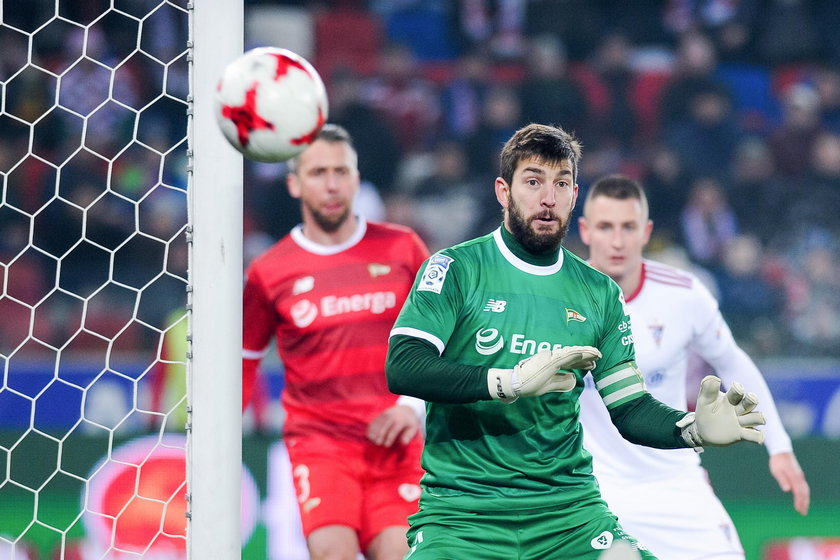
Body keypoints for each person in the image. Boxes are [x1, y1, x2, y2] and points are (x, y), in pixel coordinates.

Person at [385, 123, 766, 559]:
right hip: (463, 512)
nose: (548, 197)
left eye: (561, 183)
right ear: (503, 191)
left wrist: (692, 427)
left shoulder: (598, 293)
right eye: (533, 181)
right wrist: (506, 382)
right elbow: (403, 365)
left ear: (573, 194)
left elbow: (630, 408)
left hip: (567, 514)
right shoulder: (455, 268)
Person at [577, 174, 810, 560]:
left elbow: (732, 360)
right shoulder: (554, 296)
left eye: (627, 227)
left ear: (646, 231)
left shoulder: (683, 294)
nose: (616, 241)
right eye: (605, 227)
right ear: (585, 230)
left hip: (672, 480)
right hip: (586, 487)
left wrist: (779, 446)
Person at [242, 124, 430, 560]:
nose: (332, 185)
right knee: (332, 553)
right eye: (318, 172)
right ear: (294, 183)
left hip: (397, 444)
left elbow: (445, 340)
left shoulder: (403, 250)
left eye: (342, 172)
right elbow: (245, 361)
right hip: (321, 445)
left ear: (357, 178)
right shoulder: (270, 272)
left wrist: (411, 406)